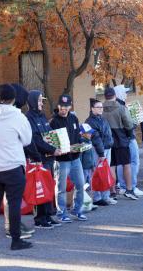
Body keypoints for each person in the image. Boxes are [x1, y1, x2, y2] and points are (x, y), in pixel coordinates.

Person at [0, 84, 33, 251]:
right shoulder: (19, 117)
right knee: (13, 203)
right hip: (12, 165)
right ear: (14, 99)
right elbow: (27, 140)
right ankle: (15, 240)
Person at [24, 90, 62, 229]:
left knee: (49, 187)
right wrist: (52, 149)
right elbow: (35, 140)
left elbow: (49, 135)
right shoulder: (28, 118)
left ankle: (48, 215)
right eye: (39, 100)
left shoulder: (42, 116)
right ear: (33, 101)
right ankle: (40, 218)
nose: (41, 103)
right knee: (41, 188)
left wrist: (57, 146)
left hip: (49, 158)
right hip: (39, 159)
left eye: (42, 100)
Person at [50, 94, 88, 222]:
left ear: (70, 106)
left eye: (66, 106)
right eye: (61, 106)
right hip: (62, 161)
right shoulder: (53, 121)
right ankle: (61, 213)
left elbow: (77, 136)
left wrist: (82, 143)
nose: (63, 108)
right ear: (58, 106)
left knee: (80, 184)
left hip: (75, 158)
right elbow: (52, 143)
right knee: (61, 188)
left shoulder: (74, 118)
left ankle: (77, 210)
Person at [102, 87, 138, 200]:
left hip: (107, 140)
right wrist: (130, 131)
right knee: (126, 164)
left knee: (111, 165)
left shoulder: (100, 108)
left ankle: (112, 191)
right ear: (115, 96)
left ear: (105, 96)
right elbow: (128, 124)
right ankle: (129, 189)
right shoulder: (121, 108)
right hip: (121, 139)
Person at [114, 85, 143, 197]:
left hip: (121, 139)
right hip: (128, 138)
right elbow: (128, 124)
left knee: (122, 163)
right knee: (133, 162)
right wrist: (135, 121)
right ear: (120, 94)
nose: (126, 95)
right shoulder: (121, 107)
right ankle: (131, 186)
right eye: (125, 92)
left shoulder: (117, 106)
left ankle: (123, 186)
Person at [85, 98, 116, 206]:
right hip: (98, 151)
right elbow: (96, 139)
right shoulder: (90, 121)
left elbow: (108, 133)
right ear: (92, 108)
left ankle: (105, 196)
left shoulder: (102, 119)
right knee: (96, 173)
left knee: (105, 173)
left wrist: (111, 143)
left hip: (107, 148)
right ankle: (97, 198)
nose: (101, 109)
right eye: (98, 107)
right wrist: (101, 153)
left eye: (101, 107)